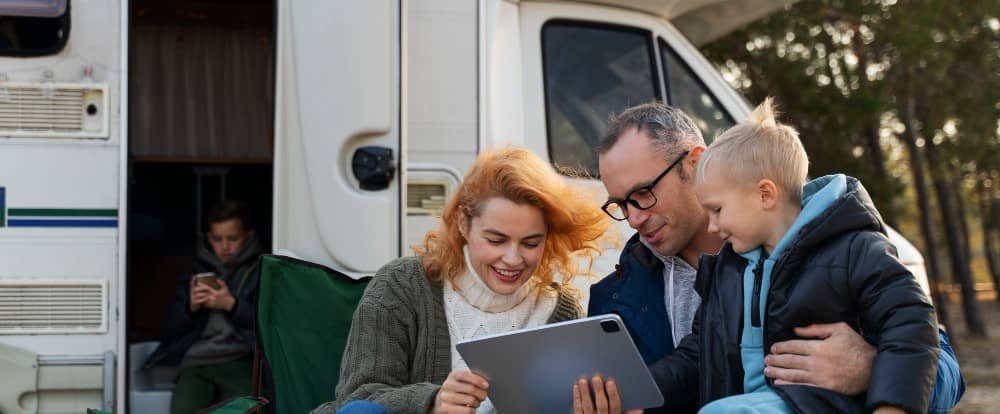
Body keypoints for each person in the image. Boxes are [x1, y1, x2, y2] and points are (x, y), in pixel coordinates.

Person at [579, 101, 964, 413]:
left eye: (642, 194)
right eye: (620, 204)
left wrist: (873, 369)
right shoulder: (614, 298)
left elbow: (934, 354)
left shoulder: (839, 244)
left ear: (694, 164)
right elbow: (693, 359)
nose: (632, 218)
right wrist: (625, 397)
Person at [676, 98, 939, 412]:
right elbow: (698, 352)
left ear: (765, 194)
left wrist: (892, 406)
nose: (712, 225)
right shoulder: (729, 269)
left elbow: (911, 320)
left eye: (717, 210)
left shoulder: (853, 248)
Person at [311, 146, 610, 414]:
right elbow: (358, 398)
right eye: (496, 240)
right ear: (463, 224)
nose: (513, 258)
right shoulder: (402, 284)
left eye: (531, 243)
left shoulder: (561, 312)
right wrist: (433, 403)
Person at [143, 200, 264, 414]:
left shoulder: (260, 270)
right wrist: (191, 307)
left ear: (248, 236)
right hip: (196, 360)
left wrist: (230, 305)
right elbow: (171, 329)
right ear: (209, 238)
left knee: (247, 411)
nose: (224, 246)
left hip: (241, 357)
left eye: (232, 239)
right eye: (217, 239)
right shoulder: (195, 270)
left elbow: (268, 323)